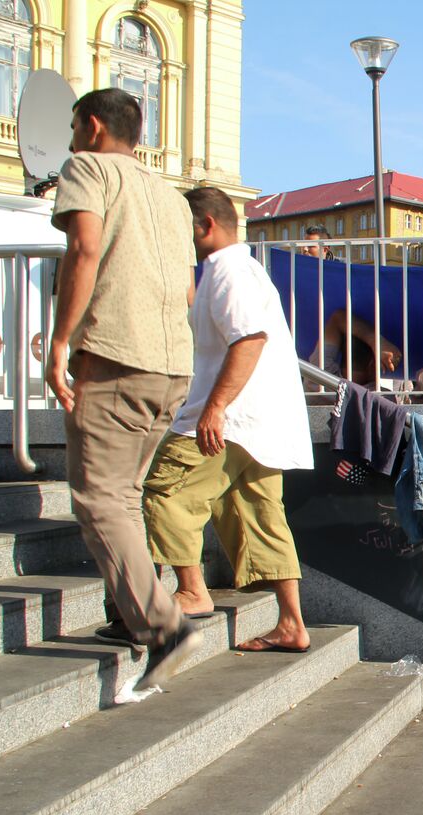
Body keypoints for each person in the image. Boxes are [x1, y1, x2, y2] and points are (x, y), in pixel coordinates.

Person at [46, 88, 203, 688]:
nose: (65, 141)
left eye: (70, 128)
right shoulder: (167, 194)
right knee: (125, 494)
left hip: (115, 353)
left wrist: (60, 342)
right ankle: (129, 612)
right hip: (169, 365)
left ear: (91, 126)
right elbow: (189, 290)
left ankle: (163, 623)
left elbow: (83, 249)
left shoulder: (86, 167)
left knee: (97, 498)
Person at [142, 187, 314, 654]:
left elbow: (249, 339)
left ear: (204, 226)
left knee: (165, 490)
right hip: (263, 422)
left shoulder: (227, 271)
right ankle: (292, 624)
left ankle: (192, 591)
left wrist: (215, 407)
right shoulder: (245, 270)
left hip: (233, 418)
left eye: (183, 230)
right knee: (259, 515)